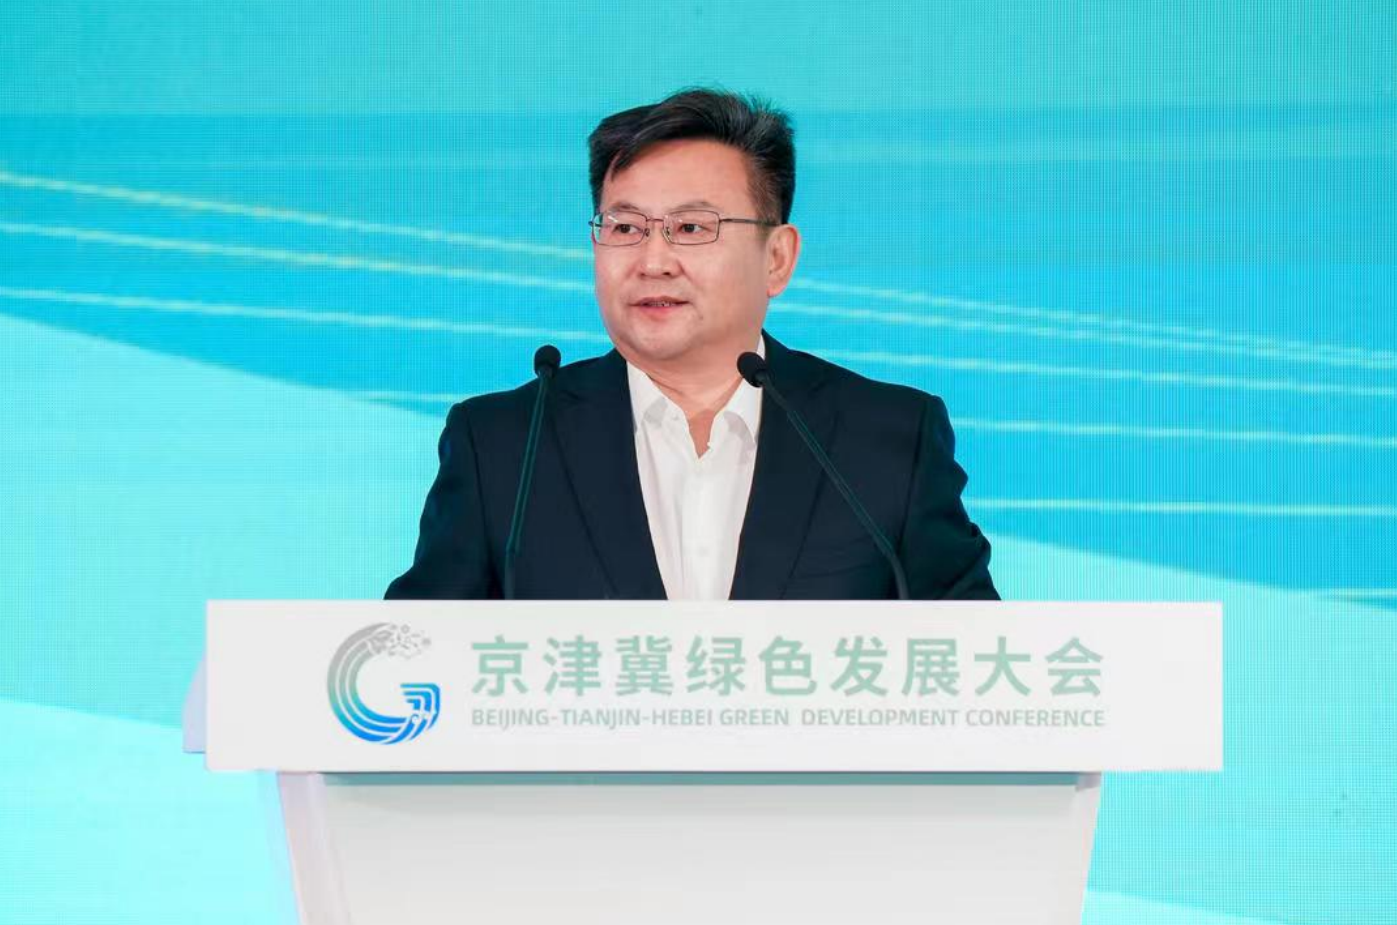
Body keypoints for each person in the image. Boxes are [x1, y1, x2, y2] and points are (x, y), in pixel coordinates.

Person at [385, 88, 997, 601]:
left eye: (691, 227)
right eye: (625, 226)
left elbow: (979, 665)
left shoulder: (888, 439)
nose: (653, 260)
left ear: (777, 257)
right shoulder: (501, 447)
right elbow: (414, 662)